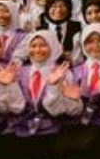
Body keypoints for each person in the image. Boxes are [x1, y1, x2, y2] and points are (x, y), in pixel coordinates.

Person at [51, 23, 100, 159]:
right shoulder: (77, 70)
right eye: (89, 41)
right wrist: (73, 99)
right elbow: (72, 109)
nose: (95, 46)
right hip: (82, 126)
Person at [9, 30, 84, 159]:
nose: (37, 50)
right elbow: (14, 107)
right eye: (33, 46)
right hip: (23, 131)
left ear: (53, 46)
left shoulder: (63, 72)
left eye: (43, 45)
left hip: (53, 134)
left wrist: (54, 87)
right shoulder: (20, 72)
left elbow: (60, 110)